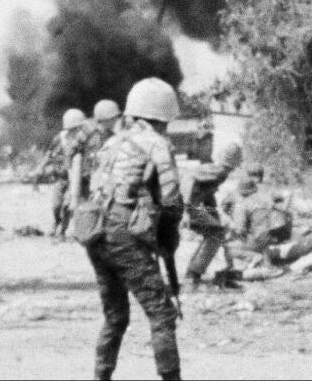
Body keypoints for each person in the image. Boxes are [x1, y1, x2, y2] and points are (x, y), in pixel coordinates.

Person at [84, 78, 184, 381]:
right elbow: (171, 199)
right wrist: (168, 238)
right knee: (162, 313)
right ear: (162, 117)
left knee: (116, 316)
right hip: (123, 232)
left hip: (94, 231)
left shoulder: (111, 143)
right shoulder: (157, 144)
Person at [184, 141, 243, 290]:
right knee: (217, 234)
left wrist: (214, 215)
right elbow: (189, 181)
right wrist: (185, 210)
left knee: (215, 231)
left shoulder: (215, 170)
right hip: (184, 207)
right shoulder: (219, 172)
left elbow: (208, 195)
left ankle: (193, 272)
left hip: (186, 206)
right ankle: (192, 275)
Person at [49, 108, 87, 238]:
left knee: (67, 205)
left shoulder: (84, 140)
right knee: (56, 205)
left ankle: (63, 231)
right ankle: (56, 221)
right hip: (61, 177)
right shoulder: (59, 138)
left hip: (74, 178)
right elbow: (50, 154)